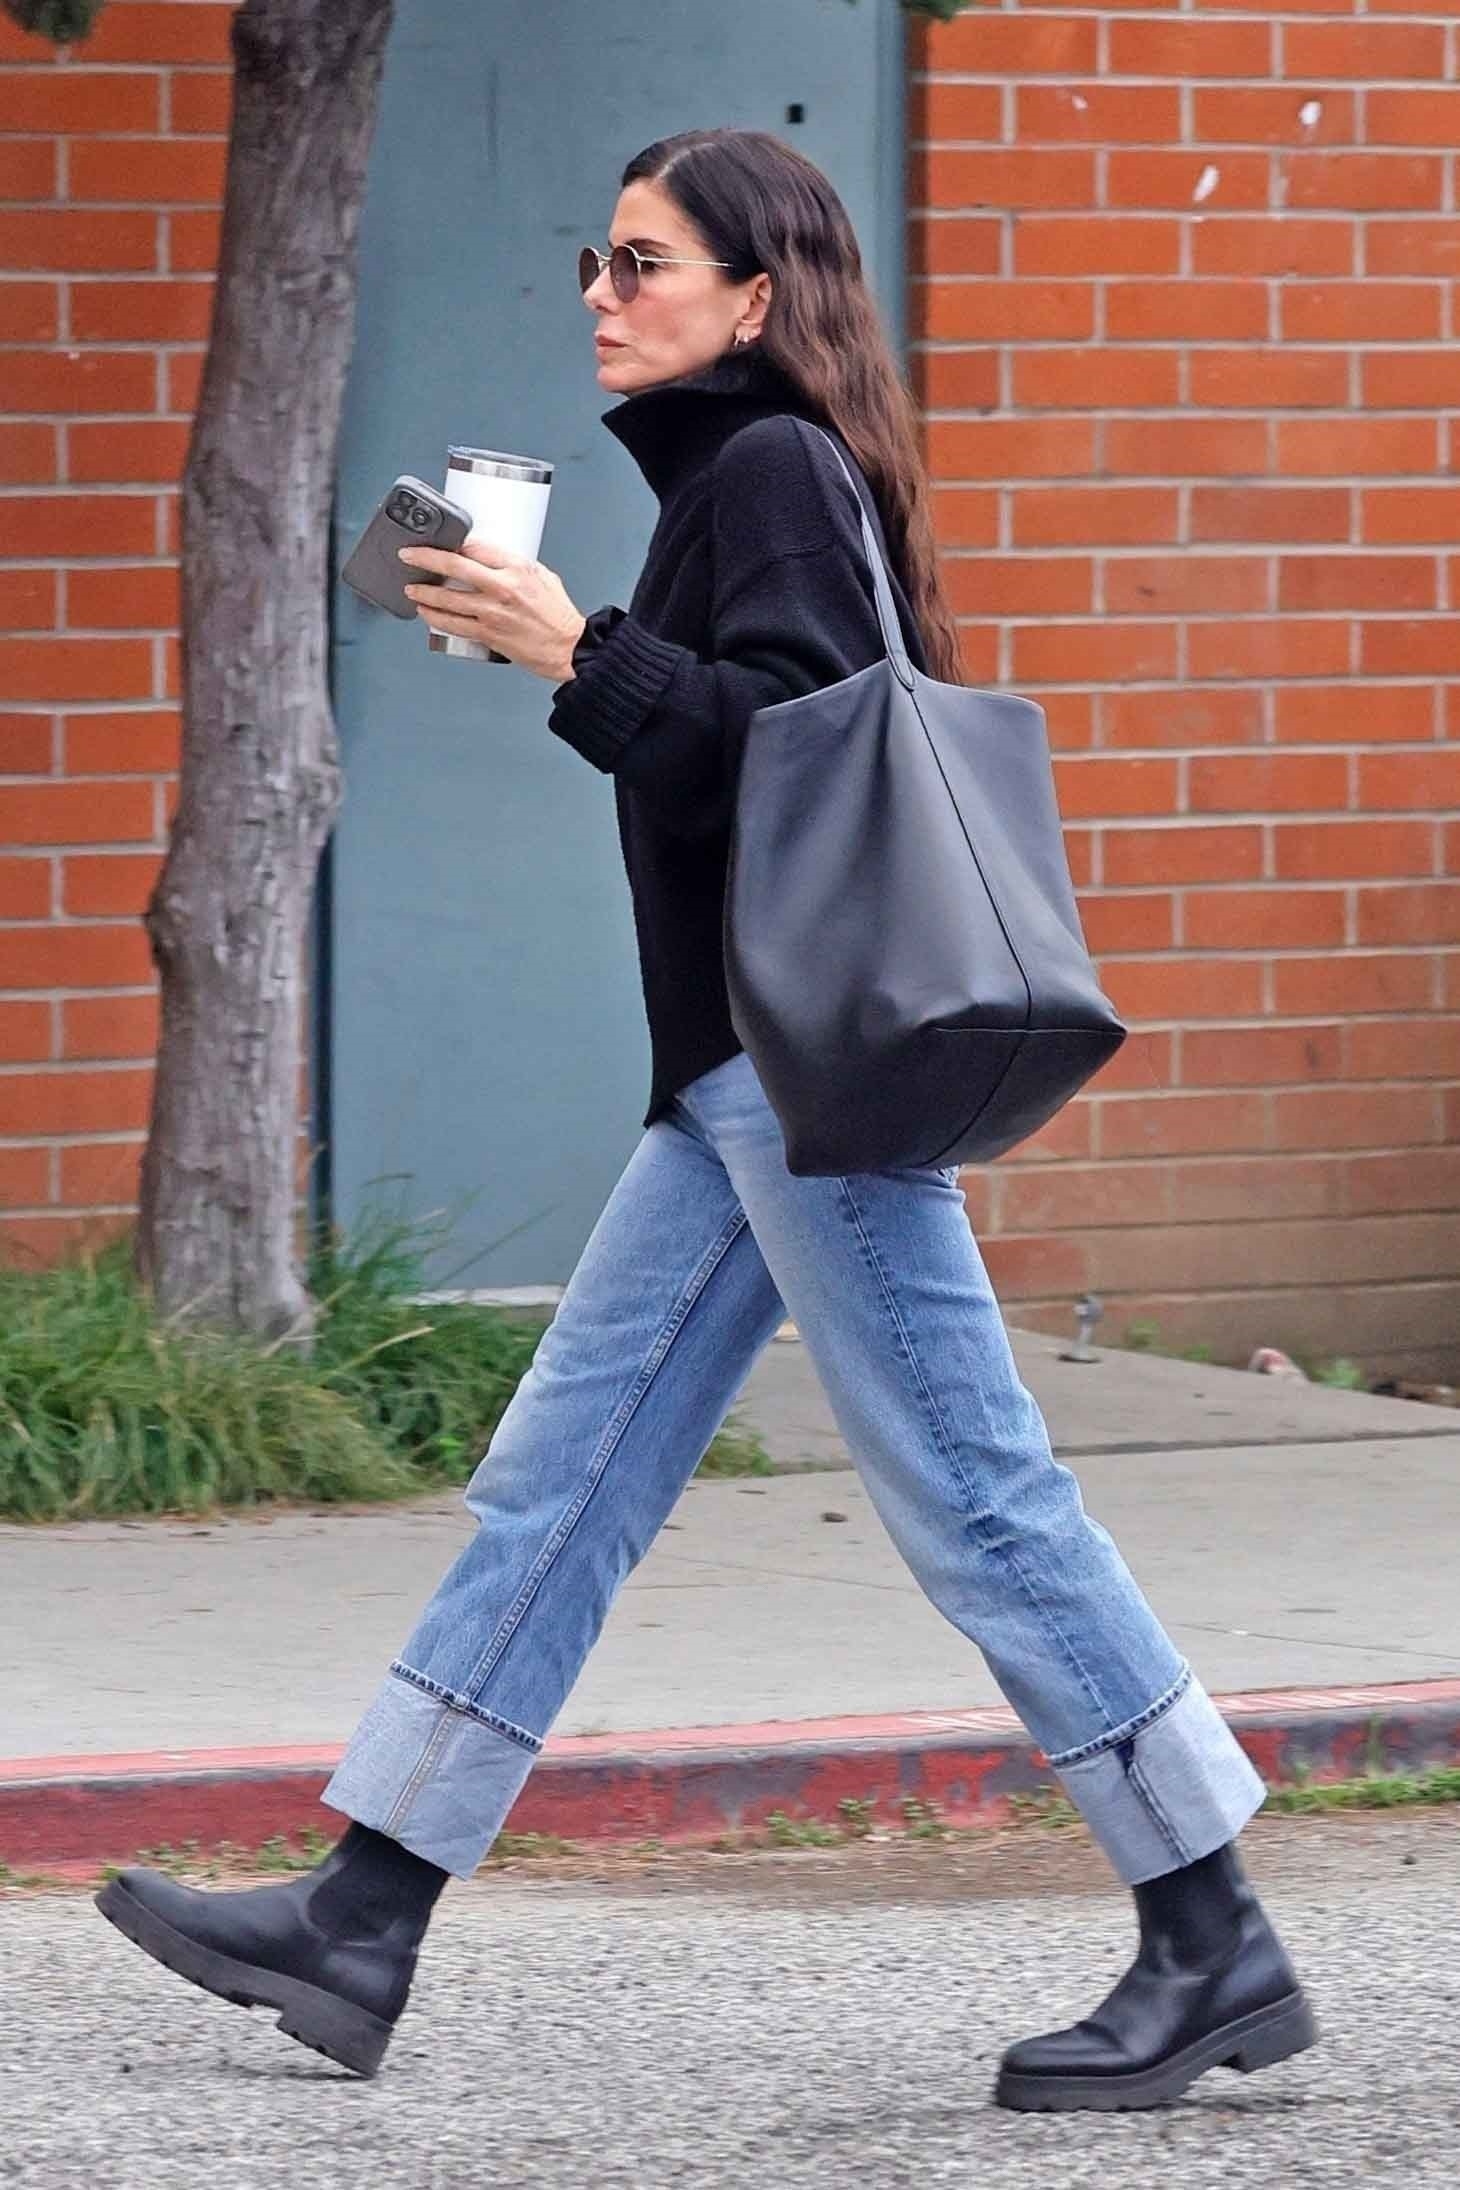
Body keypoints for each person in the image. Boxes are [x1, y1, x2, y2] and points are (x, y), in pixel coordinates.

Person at [96, 127, 1317, 2111]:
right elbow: (735, 730)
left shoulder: (772, 470)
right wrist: (577, 650)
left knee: (979, 1498)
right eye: (596, 259)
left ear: (755, 298)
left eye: (643, 263)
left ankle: (1211, 1932)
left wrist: (573, 646)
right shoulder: (737, 479)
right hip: (728, 1092)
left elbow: (790, 751)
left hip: (804, 1090)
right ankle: (366, 1909)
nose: (601, 291)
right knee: (561, 1484)